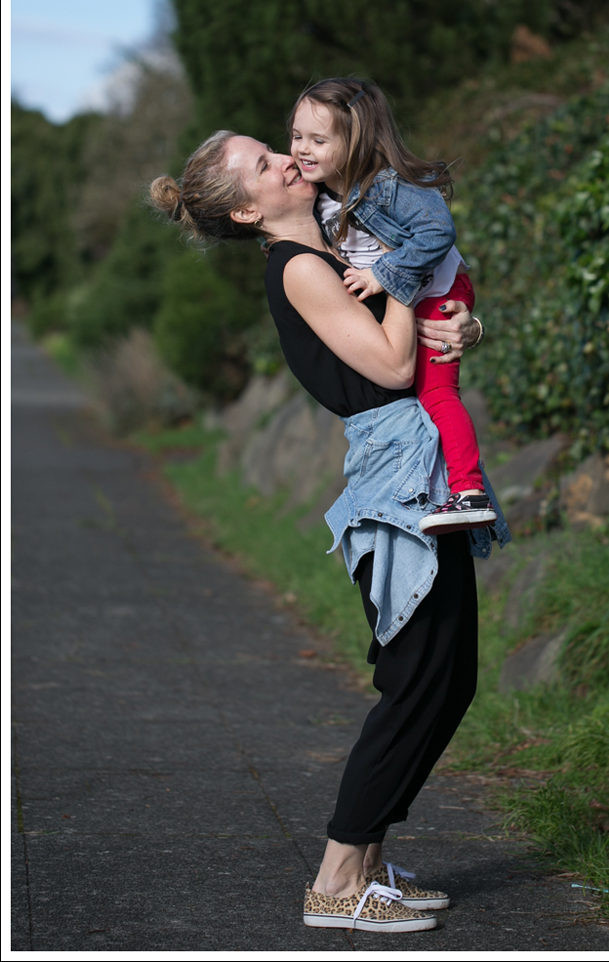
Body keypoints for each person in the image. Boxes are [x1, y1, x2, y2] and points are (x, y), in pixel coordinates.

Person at [149, 130, 509, 934]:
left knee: (448, 676)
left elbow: (421, 342)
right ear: (249, 209)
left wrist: (461, 329)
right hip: (395, 476)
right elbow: (386, 368)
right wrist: (406, 285)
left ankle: (370, 865)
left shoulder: (341, 243)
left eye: (273, 146)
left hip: (416, 461)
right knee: (419, 677)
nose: (286, 157)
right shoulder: (303, 267)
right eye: (263, 164)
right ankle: (338, 879)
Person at [290, 77, 495, 536]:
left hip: (439, 291)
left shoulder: (389, 187)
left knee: (436, 394)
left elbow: (438, 232)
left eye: (318, 140)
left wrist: (384, 276)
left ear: (357, 141)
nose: (302, 149)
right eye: (297, 136)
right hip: (415, 296)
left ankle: (468, 490)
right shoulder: (323, 195)